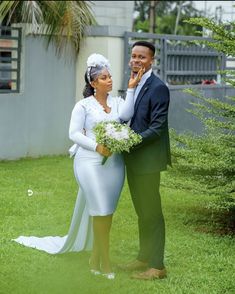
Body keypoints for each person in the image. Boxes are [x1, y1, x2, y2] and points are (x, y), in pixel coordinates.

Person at [12, 53, 144, 280]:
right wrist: (97, 147)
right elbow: (73, 133)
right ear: (93, 83)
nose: (110, 80)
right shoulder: (82, 106)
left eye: (110, 76)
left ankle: (95, 257)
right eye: (104, 78)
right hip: (89, 162)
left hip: (114, 164)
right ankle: (105, 263)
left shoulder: (118, 102)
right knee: (100, 208)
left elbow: (127, 115)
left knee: (107, 212)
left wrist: (131, 88)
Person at [118, 41, 171, 280]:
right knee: (142, 211)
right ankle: (143, 257)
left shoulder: (158, 87)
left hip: (148, 161)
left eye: (142, 57)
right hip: (134, 160)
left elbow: (157, 128)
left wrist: (129, 142)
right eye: (133, 56)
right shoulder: (134, 83)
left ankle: (157, 266)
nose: (136, 61)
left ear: (151, 61)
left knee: (153, 213)